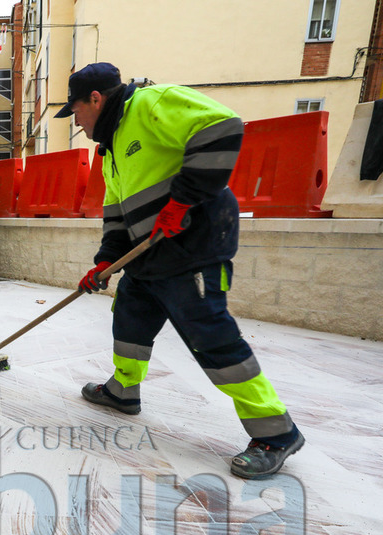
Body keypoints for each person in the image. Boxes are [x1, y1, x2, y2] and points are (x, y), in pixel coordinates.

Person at [56, 63, 304, 479]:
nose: (77, 124)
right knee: (130, 319)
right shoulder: (112, 149)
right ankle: (123, 391)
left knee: (211, 337)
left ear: (95, 99)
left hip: (194, 244)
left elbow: (222, 129)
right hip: (149, 255)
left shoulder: (151, 103)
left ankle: (276, 433)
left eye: (77, 112)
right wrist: (105, 261)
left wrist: (182, 201)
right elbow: (117, 214)